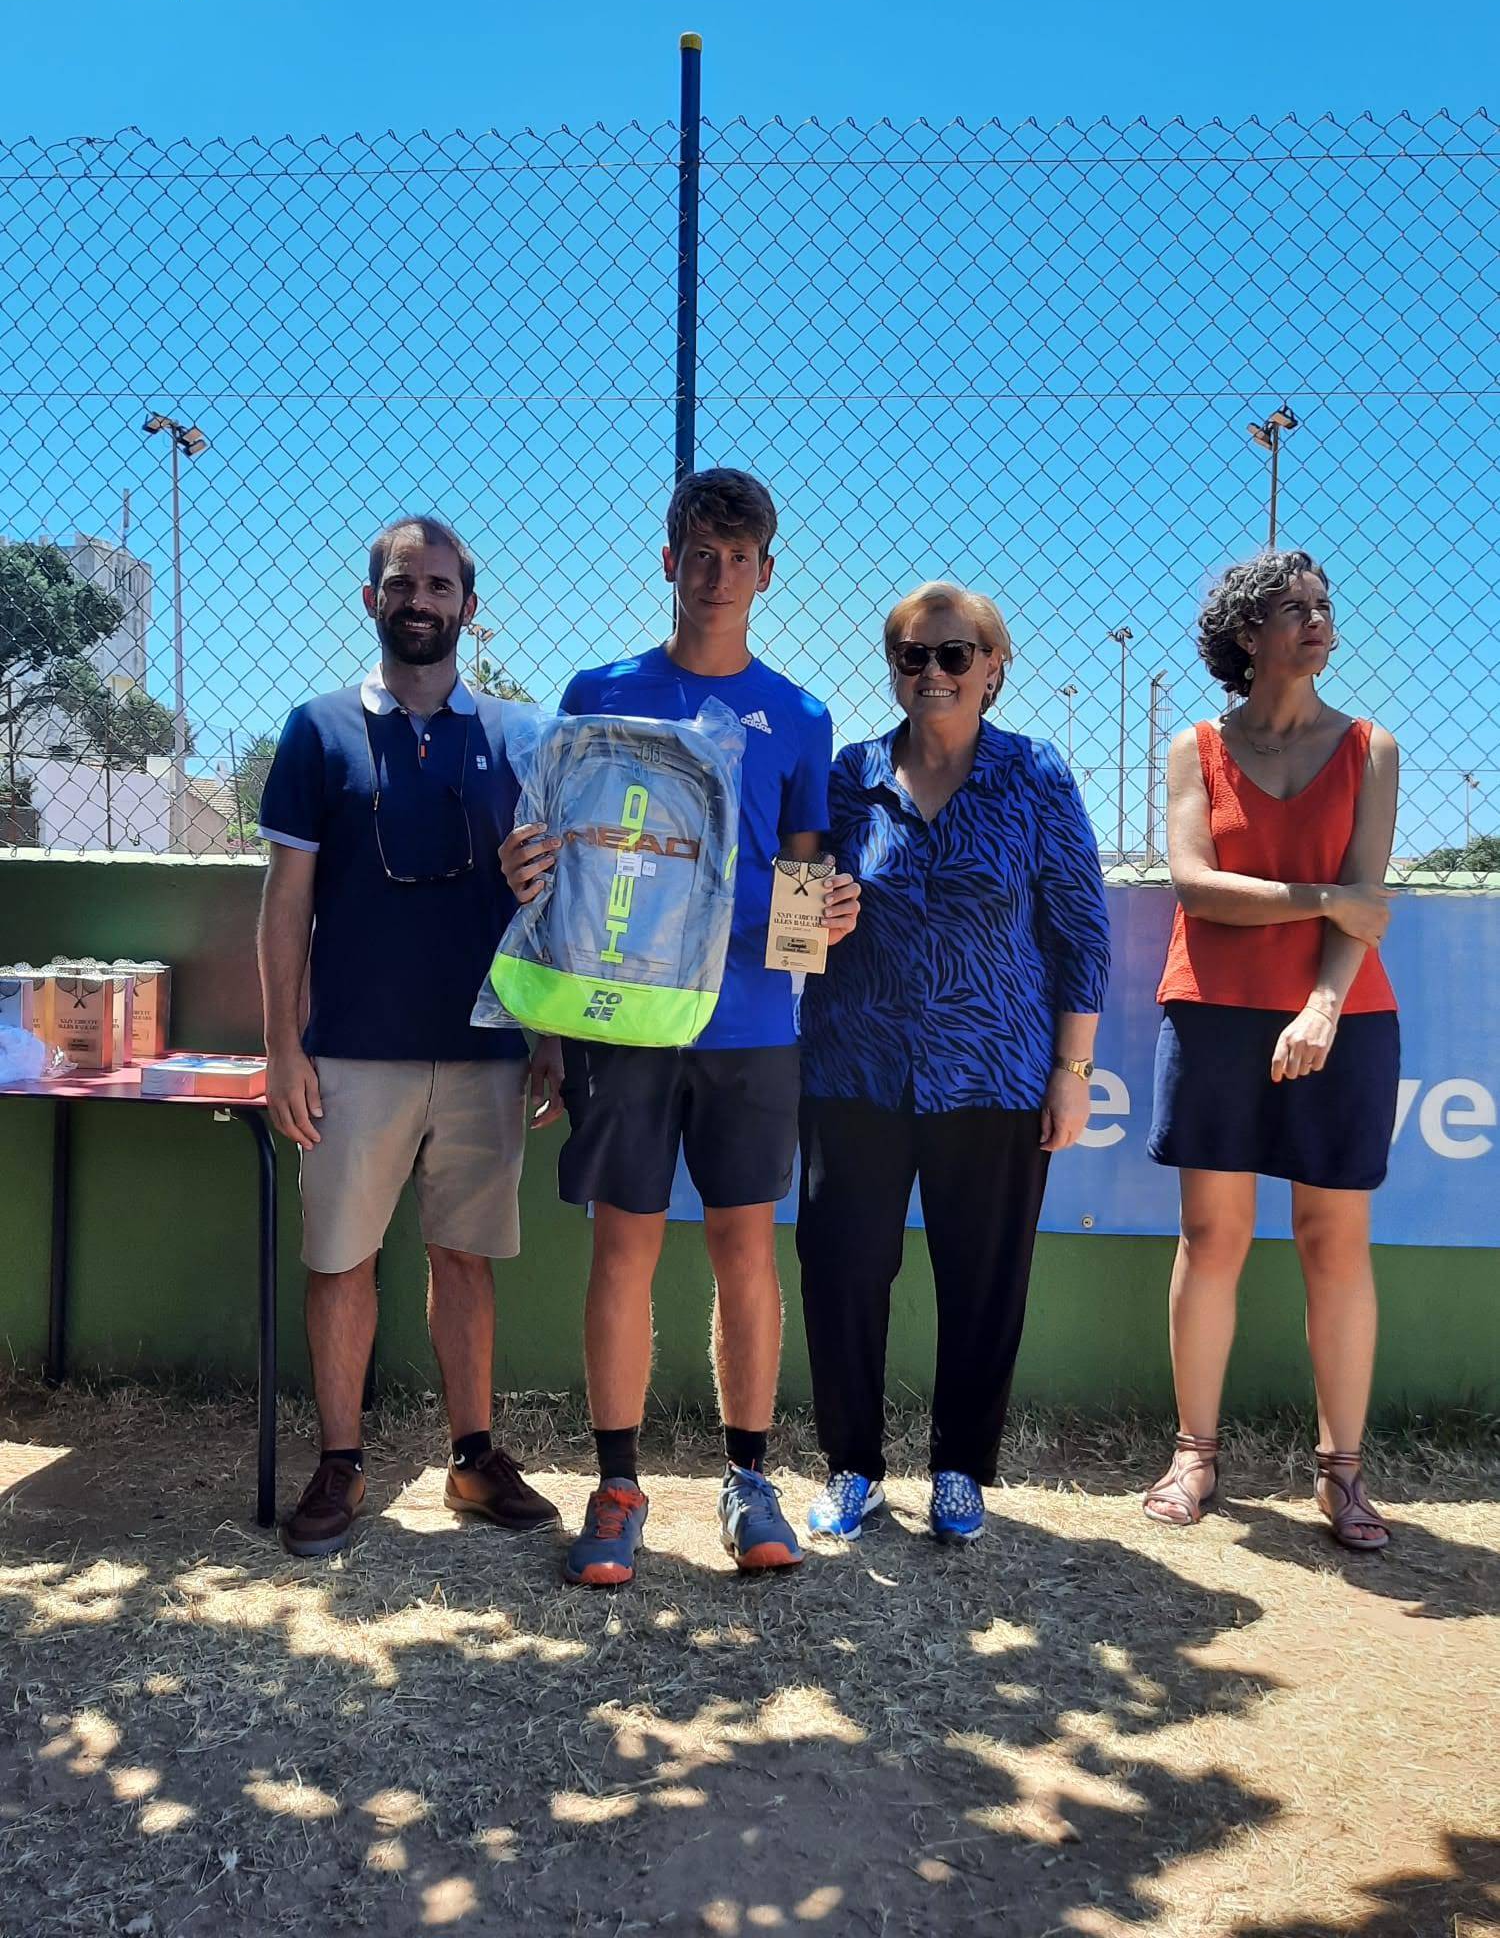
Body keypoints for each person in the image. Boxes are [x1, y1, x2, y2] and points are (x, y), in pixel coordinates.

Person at [501, 468, 860, 1585]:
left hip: (751, 1027)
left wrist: (820, 918)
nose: (718, 574)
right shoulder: (599, 690)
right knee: (626, 1247)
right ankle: (617, 1485)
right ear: (669, 561)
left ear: (767, 572)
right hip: (623, 1021)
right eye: (700, 553)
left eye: (739, 556)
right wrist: (547, 999)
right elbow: (555, 860)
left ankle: (748, 1480)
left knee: (746, 1248)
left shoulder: (799, 716)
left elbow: (803, 874)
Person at [258, 517, 564, 1558]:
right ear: (372, 599)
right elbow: (284, 901)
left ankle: (473, 1459)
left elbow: (552, 900)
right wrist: (284, 1048)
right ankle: (340, 1462)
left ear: (468, 607)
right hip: (350, 1051)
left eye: (438, 585)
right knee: (340, 1259)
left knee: (464, 1257)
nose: (420, 600)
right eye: (402, 583)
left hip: (486, 1051)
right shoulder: (317, 729)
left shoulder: (522, 737)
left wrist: (549, 1034)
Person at [795, 581, 1110, 1543]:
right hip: (855, 1070)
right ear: (893, 669)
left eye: (954, 653)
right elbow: (794, 922)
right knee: (843, 1270)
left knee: (984, 1277)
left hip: (996, 1073)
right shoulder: (847, 776)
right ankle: (853, 1467)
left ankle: (962, 1470)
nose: (933, 671)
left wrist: (1072, 1072)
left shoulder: (1035, 774)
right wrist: (815, 922)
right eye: (912, 655)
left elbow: (1081, 931)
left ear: (993, 668)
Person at [1143, 548, 1400, 1551]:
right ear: (1247, 635)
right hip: (1213, 1009)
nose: (1317, 619)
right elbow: (1196, 886)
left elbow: (1364, 908)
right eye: (1294, 609)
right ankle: (1194, 1455)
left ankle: (1343, 1473)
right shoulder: (1195, 746)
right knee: (1212, 1237)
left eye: (1323, 604)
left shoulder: (1370, 747)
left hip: (1342, 1019)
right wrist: (1324, 896)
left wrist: (1324, 1007)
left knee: (1333, 1241)